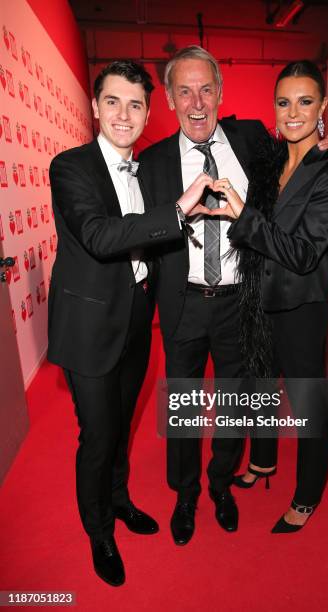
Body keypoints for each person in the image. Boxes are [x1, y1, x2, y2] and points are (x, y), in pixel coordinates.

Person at [137, 46, 328, 544]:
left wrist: (327, 149)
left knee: (237, 402)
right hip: (184, 301)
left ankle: (221, 485)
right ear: (167, 98)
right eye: (184, 91)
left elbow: (298, 164)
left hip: (240, 302)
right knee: (184, 406)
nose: (197, 101)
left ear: (221, 93)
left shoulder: (252, 139)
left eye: (206, 89)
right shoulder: (151, 163)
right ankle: (185, 495)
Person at [48, 60, 206, 586]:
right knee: (97, 436)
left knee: (122, 429)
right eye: (112, 101)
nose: (123, 113)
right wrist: (179, 212)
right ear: (94, 107)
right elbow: (98, 235)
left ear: (147, 114)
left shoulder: (147, 170)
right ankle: (98, 532)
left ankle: (118, 502)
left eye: (135, 104)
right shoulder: (70, 167)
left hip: (137, 317)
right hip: (88, 327)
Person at [208, 59, 328, 532]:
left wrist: (242, 217)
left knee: (309, 406)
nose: (293, 113)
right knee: (258, 387)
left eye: (306, 101)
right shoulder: (269, 159)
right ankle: (264, 461)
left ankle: (307, 496)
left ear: (323, 107)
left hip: (301, 306)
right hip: (258, 299)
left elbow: (304, 252)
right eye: (284, 102)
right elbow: (225, 128)